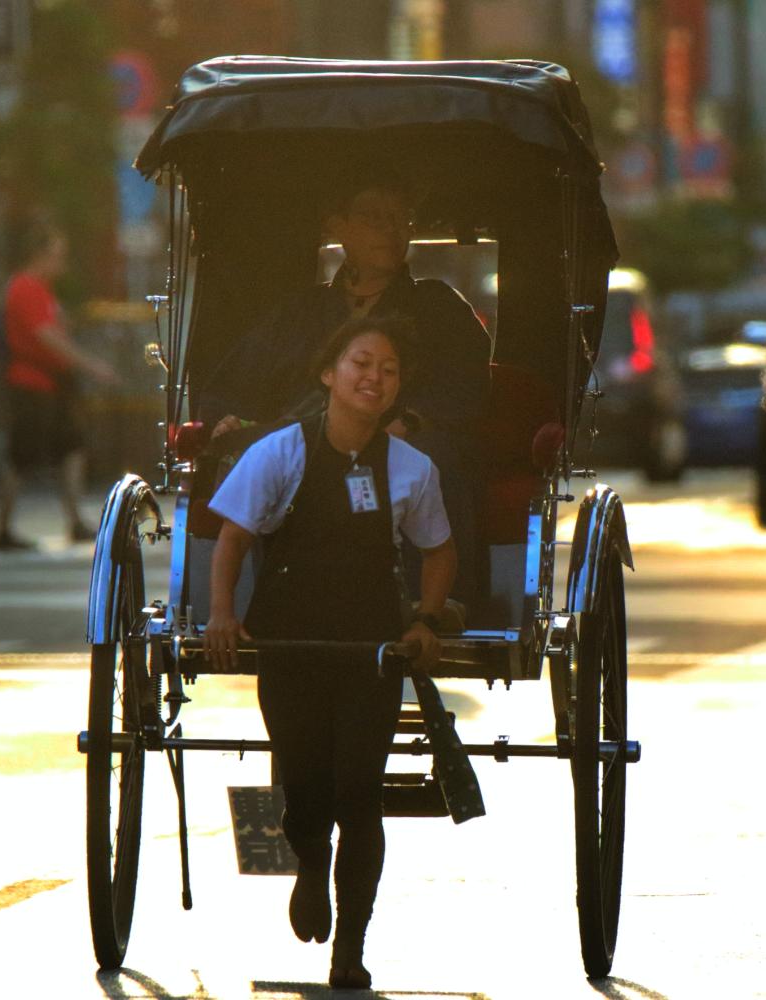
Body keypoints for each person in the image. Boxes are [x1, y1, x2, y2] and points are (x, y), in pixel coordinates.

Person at [204, 314, 455, 991]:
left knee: (358, 794)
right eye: (361, 364)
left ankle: (351, 947)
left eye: (389, 370)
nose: (375, 378)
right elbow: (232, 541)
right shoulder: (280, 452)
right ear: (328, 374)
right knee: (305, 793)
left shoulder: (411, 468)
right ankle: (309, 865)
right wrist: (223, 615)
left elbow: (439, 550)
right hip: (289, 642)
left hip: (370, 649)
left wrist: (426, 620)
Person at [199, 161, 490, 600]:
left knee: (426, 461)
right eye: (375, 216)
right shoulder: (302, 310)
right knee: (259, 456)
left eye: (401, 218)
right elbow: (243, 375)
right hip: (307, 437)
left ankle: (430, 601)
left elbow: (464, 384)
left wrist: (407, 422)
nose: (391, 229)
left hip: (406, 437)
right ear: (337, 225)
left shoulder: (438, 306)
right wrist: (230, 420)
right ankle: (263, 596)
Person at [0, 226, 117, 552]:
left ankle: (74, 519)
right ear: (40, 255)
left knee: (71, 447)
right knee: (21, 456)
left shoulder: (42, 291)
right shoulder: (25, 288)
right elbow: (48, 337)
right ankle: (2, 529)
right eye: (58, 255)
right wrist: (91, 365)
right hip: (31, 383)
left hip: (52, 384)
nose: (62, 263)